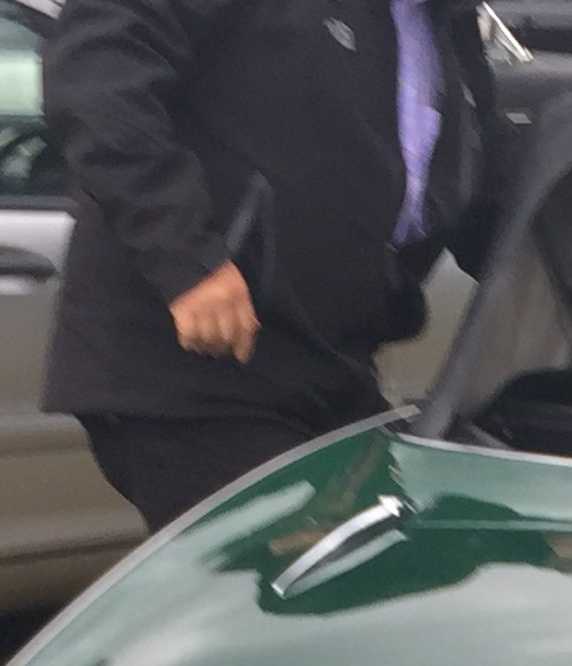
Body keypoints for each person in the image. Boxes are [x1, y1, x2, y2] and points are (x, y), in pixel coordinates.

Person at [43, 0, 497, 529]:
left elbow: (488, 185)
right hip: (190, 381)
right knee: (310, 585)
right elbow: (97, 79)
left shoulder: (443, 22)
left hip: (331, 372)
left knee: (406, 558)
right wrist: (187, 259)